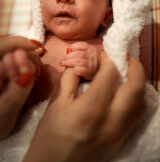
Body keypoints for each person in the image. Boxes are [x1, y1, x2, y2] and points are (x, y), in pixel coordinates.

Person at [0, 36, 145, 162]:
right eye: (45, 1)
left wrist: (97, 63)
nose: (63, 1)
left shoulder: (106, 43)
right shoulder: (38, 45)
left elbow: (117, 75)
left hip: (91, 122)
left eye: (86, 1)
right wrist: (16, 69)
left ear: (106, 16)